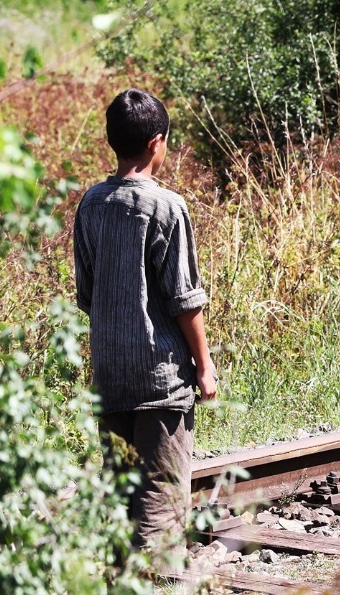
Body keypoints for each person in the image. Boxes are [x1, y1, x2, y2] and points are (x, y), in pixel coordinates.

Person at [73, 89, 218, 563]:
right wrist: (204, 365)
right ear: (157, 142)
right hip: (159, 378)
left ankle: (119, 579)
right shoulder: (167, 207)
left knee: (121, 492)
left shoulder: (91, 204)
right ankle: (155, 579)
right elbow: (184, 299)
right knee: (160, 493)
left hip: (110, 375)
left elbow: (87, 293)